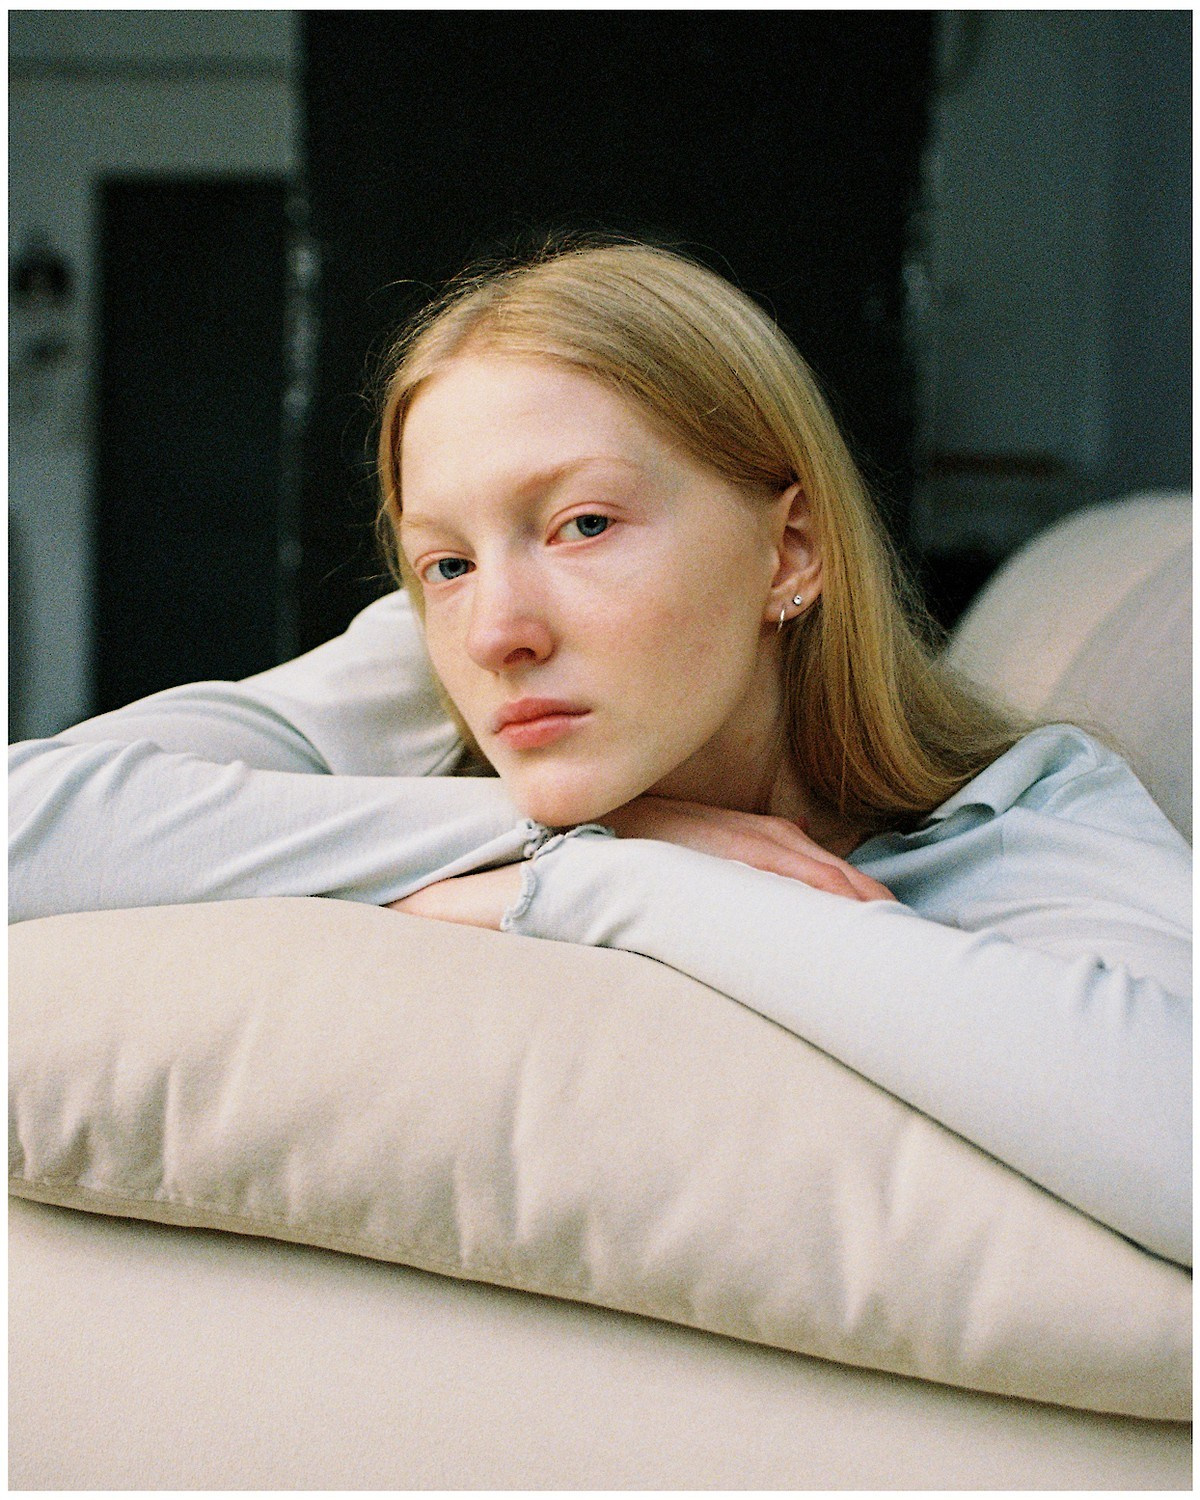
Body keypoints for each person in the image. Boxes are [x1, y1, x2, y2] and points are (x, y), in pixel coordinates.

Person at [9, 239, 1190, 1269]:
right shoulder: (427, 670)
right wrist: (587, 842)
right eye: (444, 562)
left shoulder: (1019, 815)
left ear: (791, 552)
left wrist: (611, 885)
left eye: (583, 524)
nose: (496, 631)